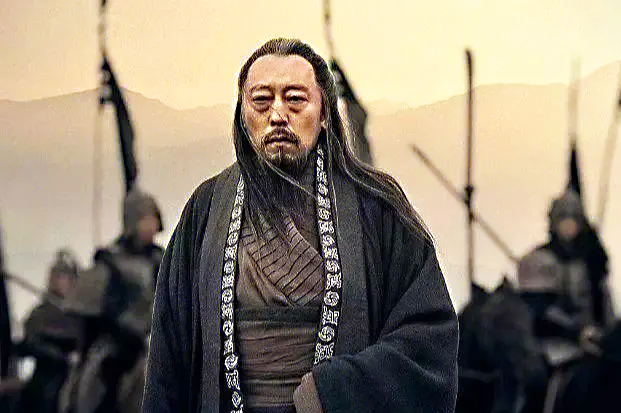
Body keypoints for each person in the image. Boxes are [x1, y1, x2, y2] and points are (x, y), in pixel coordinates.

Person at [143, 38, 458, 413]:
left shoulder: (376, 207)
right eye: (261, 101)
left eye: (295, 100)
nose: (278, 115)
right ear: (242, 116)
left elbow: (429, 336)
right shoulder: (206, 210)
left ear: (324, 113)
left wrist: (334, 390)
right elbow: (168, 357)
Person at [64, 188, 164, 413]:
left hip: (155, 343)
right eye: (145, 219)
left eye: (152, 219)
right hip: (116, 345)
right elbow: (90, 316)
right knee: (96, 385)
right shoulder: (111, 260)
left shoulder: (163, 260)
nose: (150, 226)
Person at [518, 189, 612, 367]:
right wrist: (576, 333)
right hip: (552, 348)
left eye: (573, 218)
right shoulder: (539, 260)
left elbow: (604, 304)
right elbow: (538, 314)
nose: (569, 224)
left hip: (594, 345)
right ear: (554, 222)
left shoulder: (591, 261)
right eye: (563, 218)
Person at [15, 249, 82, 413]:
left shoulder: (80, 313)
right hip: (47, 379)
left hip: (75, 379)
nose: (58, 281)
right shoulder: (41, 313)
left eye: (63, 277)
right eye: (56, 276)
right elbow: (29, 340)